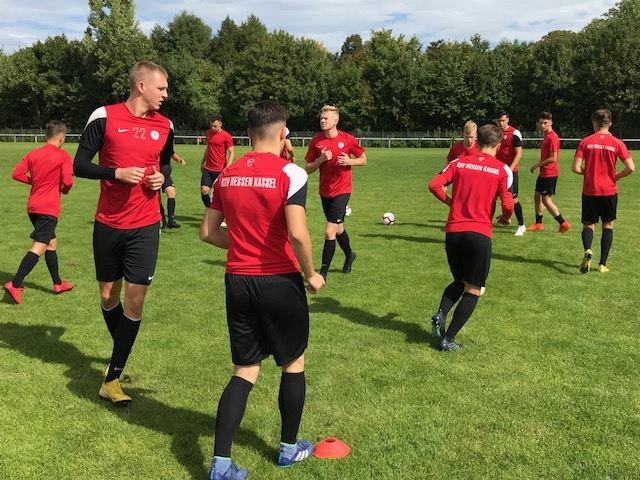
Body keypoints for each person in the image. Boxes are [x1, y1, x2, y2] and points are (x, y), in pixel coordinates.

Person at [200, 100, 325, 480]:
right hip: (279, 280)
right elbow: (298, 233)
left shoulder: (226, 175)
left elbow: (207, 233)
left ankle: (221, 465)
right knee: (293, 362)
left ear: (247, 133)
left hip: (237, 281)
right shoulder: (291, 173)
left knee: (245, 368)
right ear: (283, 132)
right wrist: (311, 274)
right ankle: (288, 449)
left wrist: (242, 245)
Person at [73, 61, 173, 406]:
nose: (165, 94)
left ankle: (112, 378)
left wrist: (162, 178)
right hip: (108, 223)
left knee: (135, 300)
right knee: (108, 296)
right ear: (141, 86)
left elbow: (165, 164)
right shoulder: (104, 116)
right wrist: (115, 173)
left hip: (145, 224)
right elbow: (79, 164)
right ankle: (121, 355)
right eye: (161, 88)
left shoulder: (165, 125)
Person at [428, 124, 514, 351]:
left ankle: (441, 314)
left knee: (459, 281)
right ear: (498, 145)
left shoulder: (459, 162)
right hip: (479, 233)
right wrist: (506, 218)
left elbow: (434, 185)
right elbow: (508, 204)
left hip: (453, 231)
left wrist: (451, 203)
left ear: (478, 141)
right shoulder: (502, 169)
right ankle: (448, 339)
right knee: (473, 289)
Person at [4, 120, 74, 304]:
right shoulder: (63, 156)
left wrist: (34, 182)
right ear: (62, 138)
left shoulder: (33, 154)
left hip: (33, 206)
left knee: (51, 242)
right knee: (40, 245)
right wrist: (64, 190)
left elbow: (16, 174)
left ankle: (58, 283)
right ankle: (15, 284)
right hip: (48, 208)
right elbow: (68, 182)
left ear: (46, 135)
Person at [304, 105, 366, 280]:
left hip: (342, 190)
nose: (322, 120)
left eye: (326, 118)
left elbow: (363, 159)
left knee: (329, 231)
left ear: (336, 120)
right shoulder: (316, 141)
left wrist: (349, 162)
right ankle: (349, 255)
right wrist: (321, 160)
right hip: (325, 191)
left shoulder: (347, 139)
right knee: (338, 228)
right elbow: (308, 168)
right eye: (321, 118)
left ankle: (322, 273)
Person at [572, 108, 635, 273]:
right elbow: (631, 167)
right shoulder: (617, 143)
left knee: (589, 224)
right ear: (610, 124)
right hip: (609, 190)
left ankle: (588, 249)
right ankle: (602, 264)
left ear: (594, 123)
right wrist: (616, 176)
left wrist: (589, 172)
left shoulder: (585, 142)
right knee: (608, 224)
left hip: (590, 190)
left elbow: (576, 168)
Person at [526, 112, 571, 233]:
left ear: (551, 122)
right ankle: (538, 224)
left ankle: (563, 223)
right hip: (543, 173)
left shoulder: (552, 137)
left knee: (546, 200)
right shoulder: (546, 136)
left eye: (545, 123)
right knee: (537, 196)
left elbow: (553, 158)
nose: (542, 125)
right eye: (540, 123)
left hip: (550, 173)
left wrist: (537, 165)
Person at [494, 110, 526, 235]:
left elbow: (519, 153)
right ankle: (487, 224)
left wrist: (509, 170)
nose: (501, 123)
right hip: (497, 171)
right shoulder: (495, 133)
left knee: (513, 198)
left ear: (508, 119)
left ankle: (521, 225)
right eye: (499, 121)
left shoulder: (514, 133)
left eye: (503, 120)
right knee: (492, 197)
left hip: (510, 172)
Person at [200, 113, 234, 207]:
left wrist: (228, 167)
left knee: (221, 195)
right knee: (204, 190)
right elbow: (208, 148)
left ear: (220, 124)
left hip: (220, 170)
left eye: (215, 126)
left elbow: (231, 152)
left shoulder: (226, 136)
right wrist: (203, 162)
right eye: (211, 125)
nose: (213, 128)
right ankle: (210, 209)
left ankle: (221, 213)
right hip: (208, 168)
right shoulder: (208, 133)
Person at [159, 152, 186, 229]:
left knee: (171, 193)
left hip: (166, 175)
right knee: (158, 199)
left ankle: (171, 221)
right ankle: (164, 221)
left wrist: (179, 159)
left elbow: (171, 153)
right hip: (155, 174)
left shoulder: (166, 146)